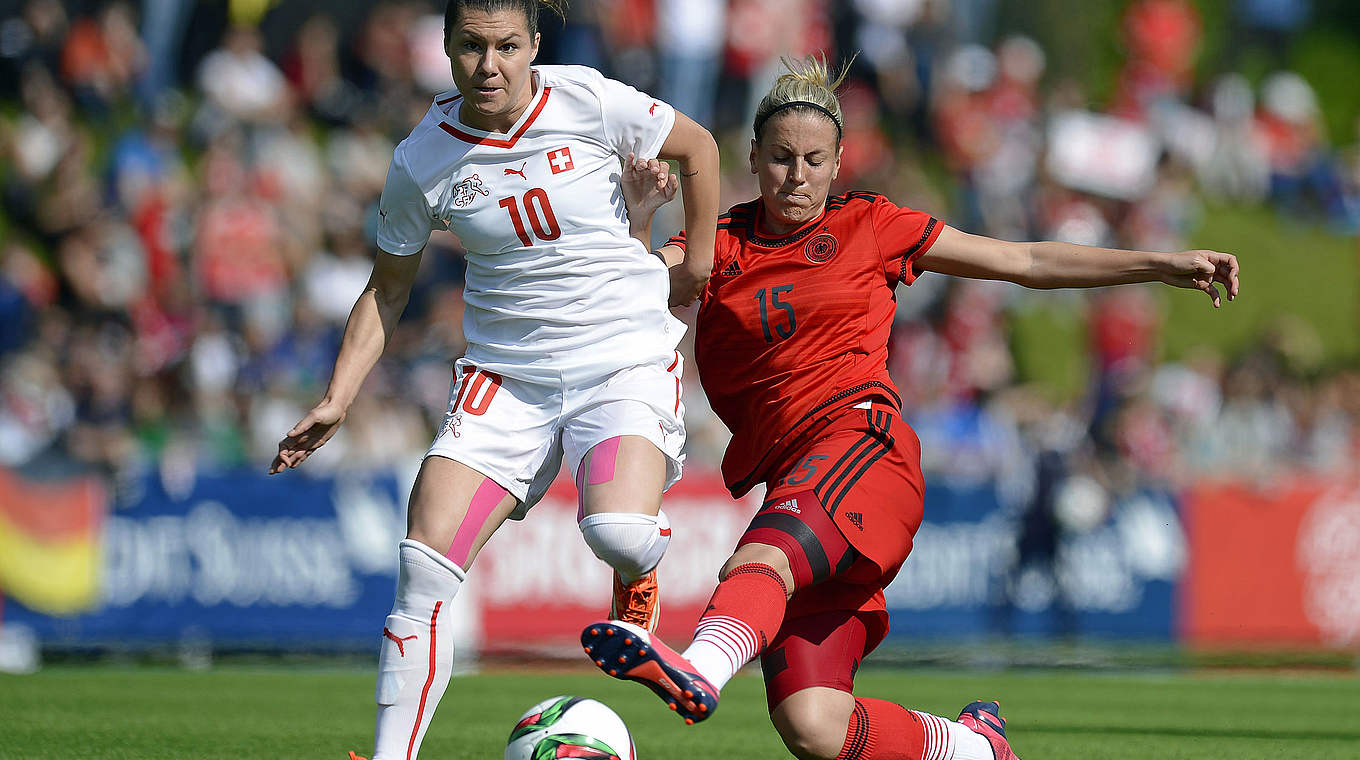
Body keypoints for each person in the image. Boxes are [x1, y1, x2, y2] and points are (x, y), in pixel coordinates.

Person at [583, 55, 1239, 760]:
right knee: (813, 726)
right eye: (779, 158)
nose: (795, 175)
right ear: (751, 157)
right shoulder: (720, 244)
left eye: (813, 159)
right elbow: (625, 306)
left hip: (861, 449)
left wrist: (1160, 263)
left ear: (838, 165)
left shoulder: (872, 224)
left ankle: (703, 669)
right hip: (798, 483)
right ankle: (975, 748)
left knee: (760, 562)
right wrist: (643, 216)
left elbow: (1025, 262)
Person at [268, 2, 720, 759]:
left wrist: (696, 264)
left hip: (620, 357)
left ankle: (639, 572)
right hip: (506, 378)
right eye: (471, 46)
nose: (490, 65)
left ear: (534, 45)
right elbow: (387, 289)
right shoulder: (423, 157)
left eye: (508, 46)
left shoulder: (587, 98)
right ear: (444, 49)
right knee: (422, 566)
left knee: (618, 531)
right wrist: (338, 396)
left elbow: (699, 146)